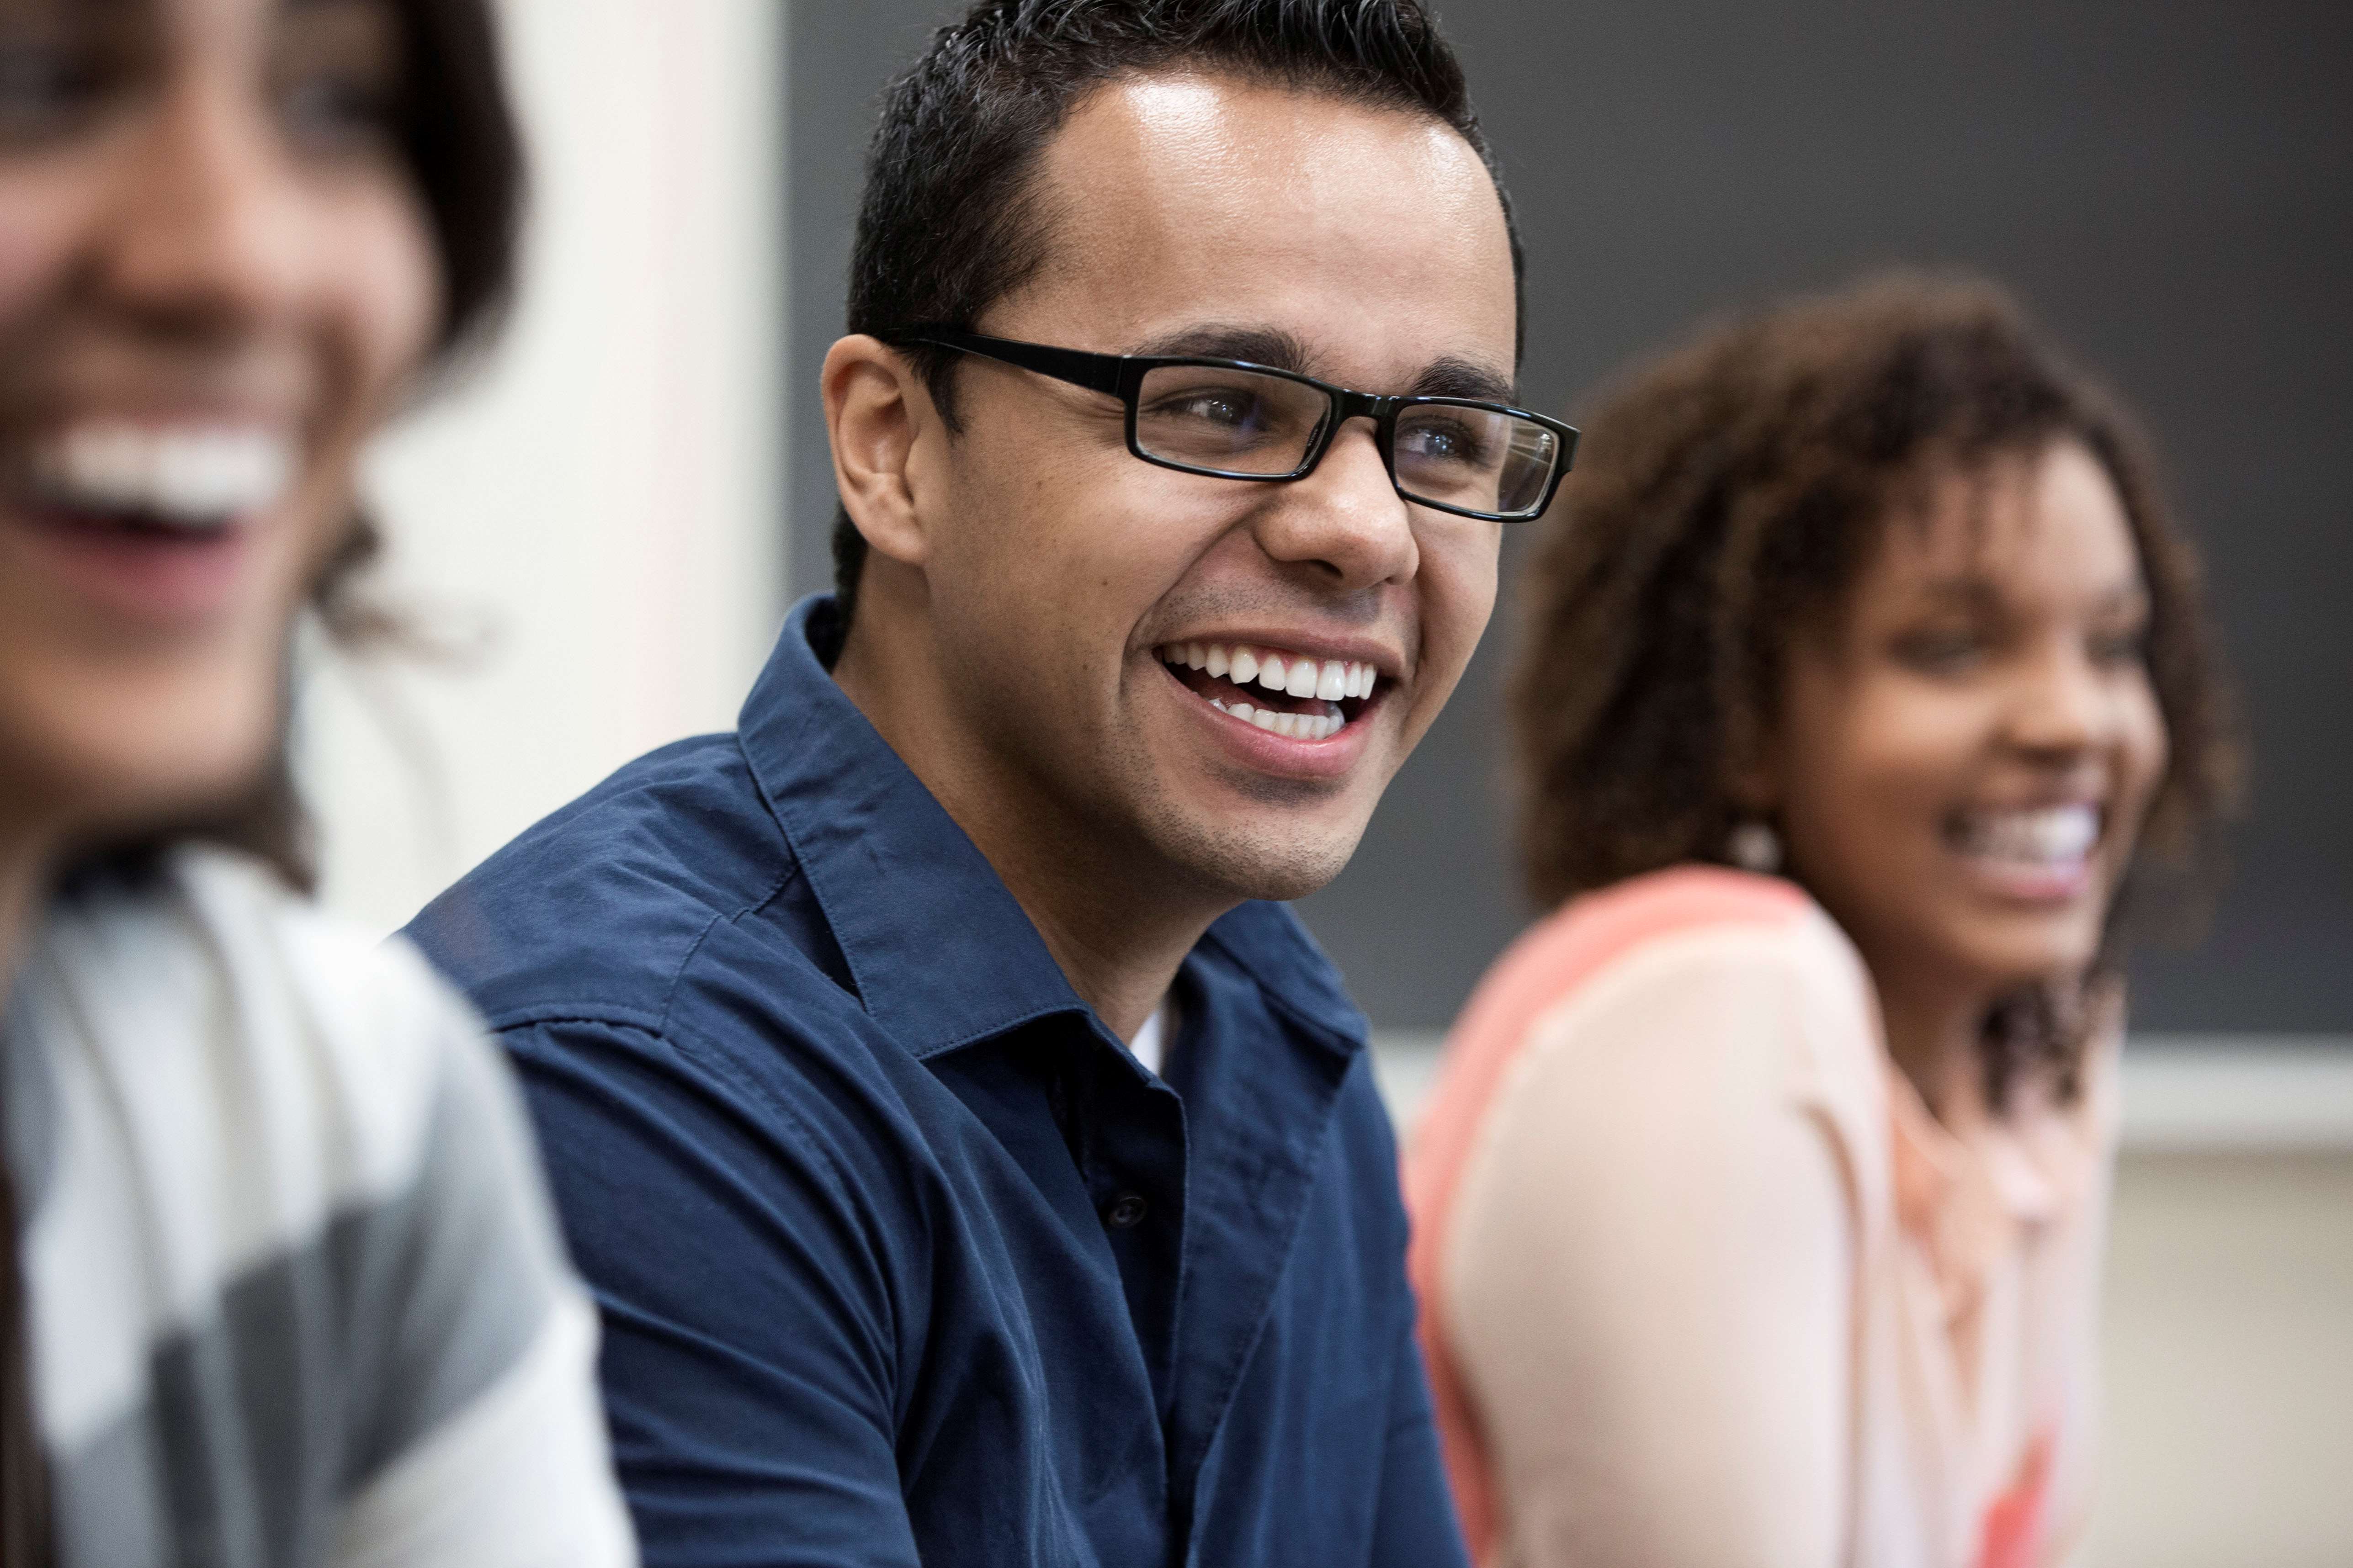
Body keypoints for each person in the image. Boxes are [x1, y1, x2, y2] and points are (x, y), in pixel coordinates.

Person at [403, 0, 1572, 1561]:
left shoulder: (1274, 1042)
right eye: (1221, 406)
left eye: (1440, 439)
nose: (1364, 530)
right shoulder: (632, 1085)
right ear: (893, 447)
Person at [1404, 276, 2238, 1568]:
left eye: (2115, 645)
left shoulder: (2033, 1062)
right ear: (1742, 719)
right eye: (1953, 649)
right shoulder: (1714, 997)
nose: (2076, 720)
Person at [0, 0, 637, 1561]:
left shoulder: (325, 1126)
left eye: (338, 106)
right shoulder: (641, 1045)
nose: (236, 255)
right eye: (31, 83)